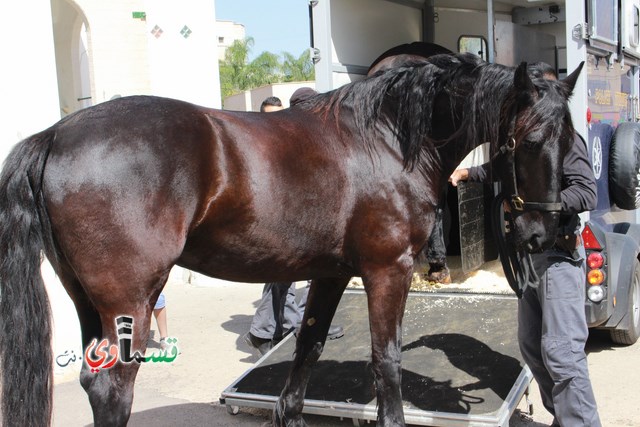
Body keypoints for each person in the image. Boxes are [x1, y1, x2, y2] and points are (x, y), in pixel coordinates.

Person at [449, 63, 601, 426]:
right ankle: (564, 418)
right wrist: (469, 173)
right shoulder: (523, 132)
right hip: (529, 258)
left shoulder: (564, 138)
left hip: (559, 254)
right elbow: (508, 168)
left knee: (562, 354)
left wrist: (542, 204)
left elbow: (586, 191)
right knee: (533, 348)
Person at [244, 93, 344, 356]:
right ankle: (268, 329)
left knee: (297, 273)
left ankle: (294, 323)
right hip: (282, 215)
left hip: (299, 213)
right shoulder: (265, 140)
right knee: (282, 274)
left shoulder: (298, 133)